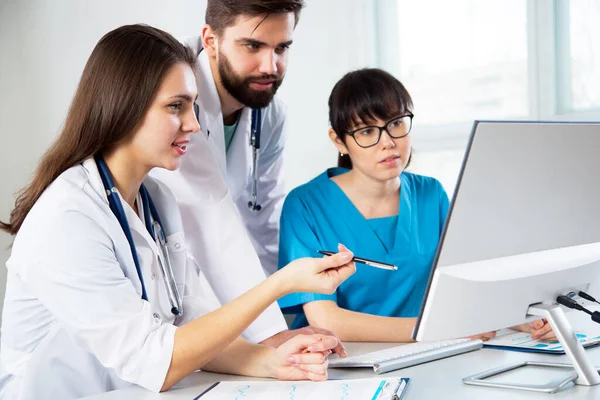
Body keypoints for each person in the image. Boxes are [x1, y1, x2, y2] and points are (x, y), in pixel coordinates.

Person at [0, 25, 356, 400]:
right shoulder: (68, 217)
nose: (194, 125)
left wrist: (274, 361)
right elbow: (159, 361)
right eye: (176, 106)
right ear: (124, 105)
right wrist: (280, 283)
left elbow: (189, 323)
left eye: (193, 106)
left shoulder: (156, 199)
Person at [276, 68, 555, 342]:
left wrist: (522, 318)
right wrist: (437, 330)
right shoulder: (305, 206)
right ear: (340, 141)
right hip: (340, 364)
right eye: (367, 131)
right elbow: (326, 320)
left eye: (396, 123)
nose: (387, 142)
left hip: (428, 355)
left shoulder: (431, 194)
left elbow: (464, 287)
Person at [151, 0, 330, 348]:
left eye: (282, 48)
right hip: (166, 303)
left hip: (210, 309)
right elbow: (212, 219)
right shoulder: (178, 103)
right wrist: (271, 335)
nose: (271, 66)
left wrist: (287, 310)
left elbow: (261, 220)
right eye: (253, 46)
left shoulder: (270, 114)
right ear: (211, 40)